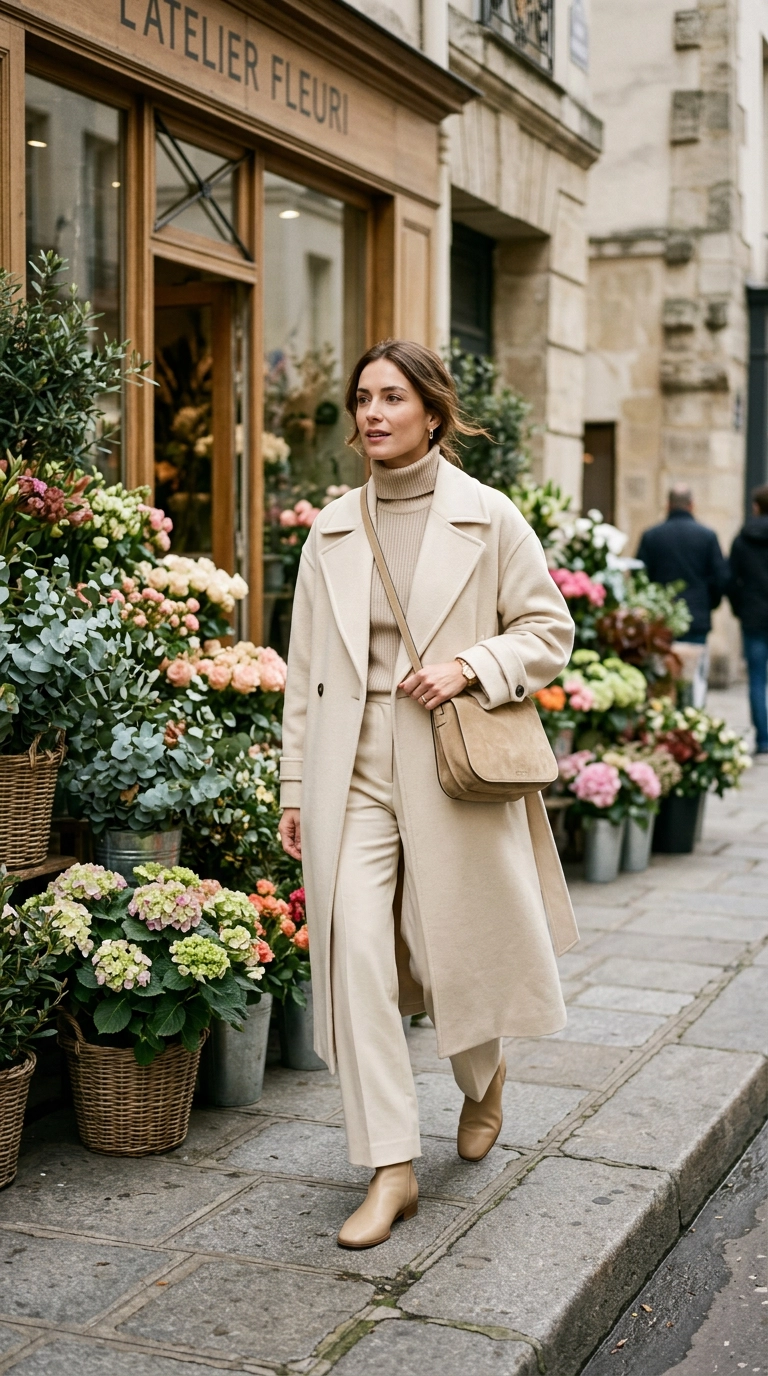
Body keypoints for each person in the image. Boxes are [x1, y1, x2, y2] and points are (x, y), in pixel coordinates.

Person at [277, 339, 578, 1251]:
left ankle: (482, 1078)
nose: (372, 413)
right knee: (358, 955)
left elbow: (548, 629)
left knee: (449, 947)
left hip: (449, 769)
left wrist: (471, 666)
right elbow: (302, 677)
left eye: (392, 398)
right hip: (349, 773)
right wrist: (294, 788)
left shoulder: (488, 518)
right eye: (362, 398)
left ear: (433, 414)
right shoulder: (330, 529)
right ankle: (391, 1166)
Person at [636, 485, 728, 707]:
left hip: (660, 622)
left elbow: (640, 577)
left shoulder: (652, 536)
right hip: (696, 618)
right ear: (691, 505)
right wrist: (709, 604)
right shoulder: (707, 536)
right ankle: (693, 721)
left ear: (667, 505)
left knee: (662, 679)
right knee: (694, 679)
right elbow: (721, 578)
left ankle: (664, 724)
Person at [727, 484, 768, 755]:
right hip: (753, 614)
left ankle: (764, 740)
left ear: (756, 506)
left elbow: (730, 579)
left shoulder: (742, 539)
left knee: (756, 679)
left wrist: (740, 608)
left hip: (753, 616)